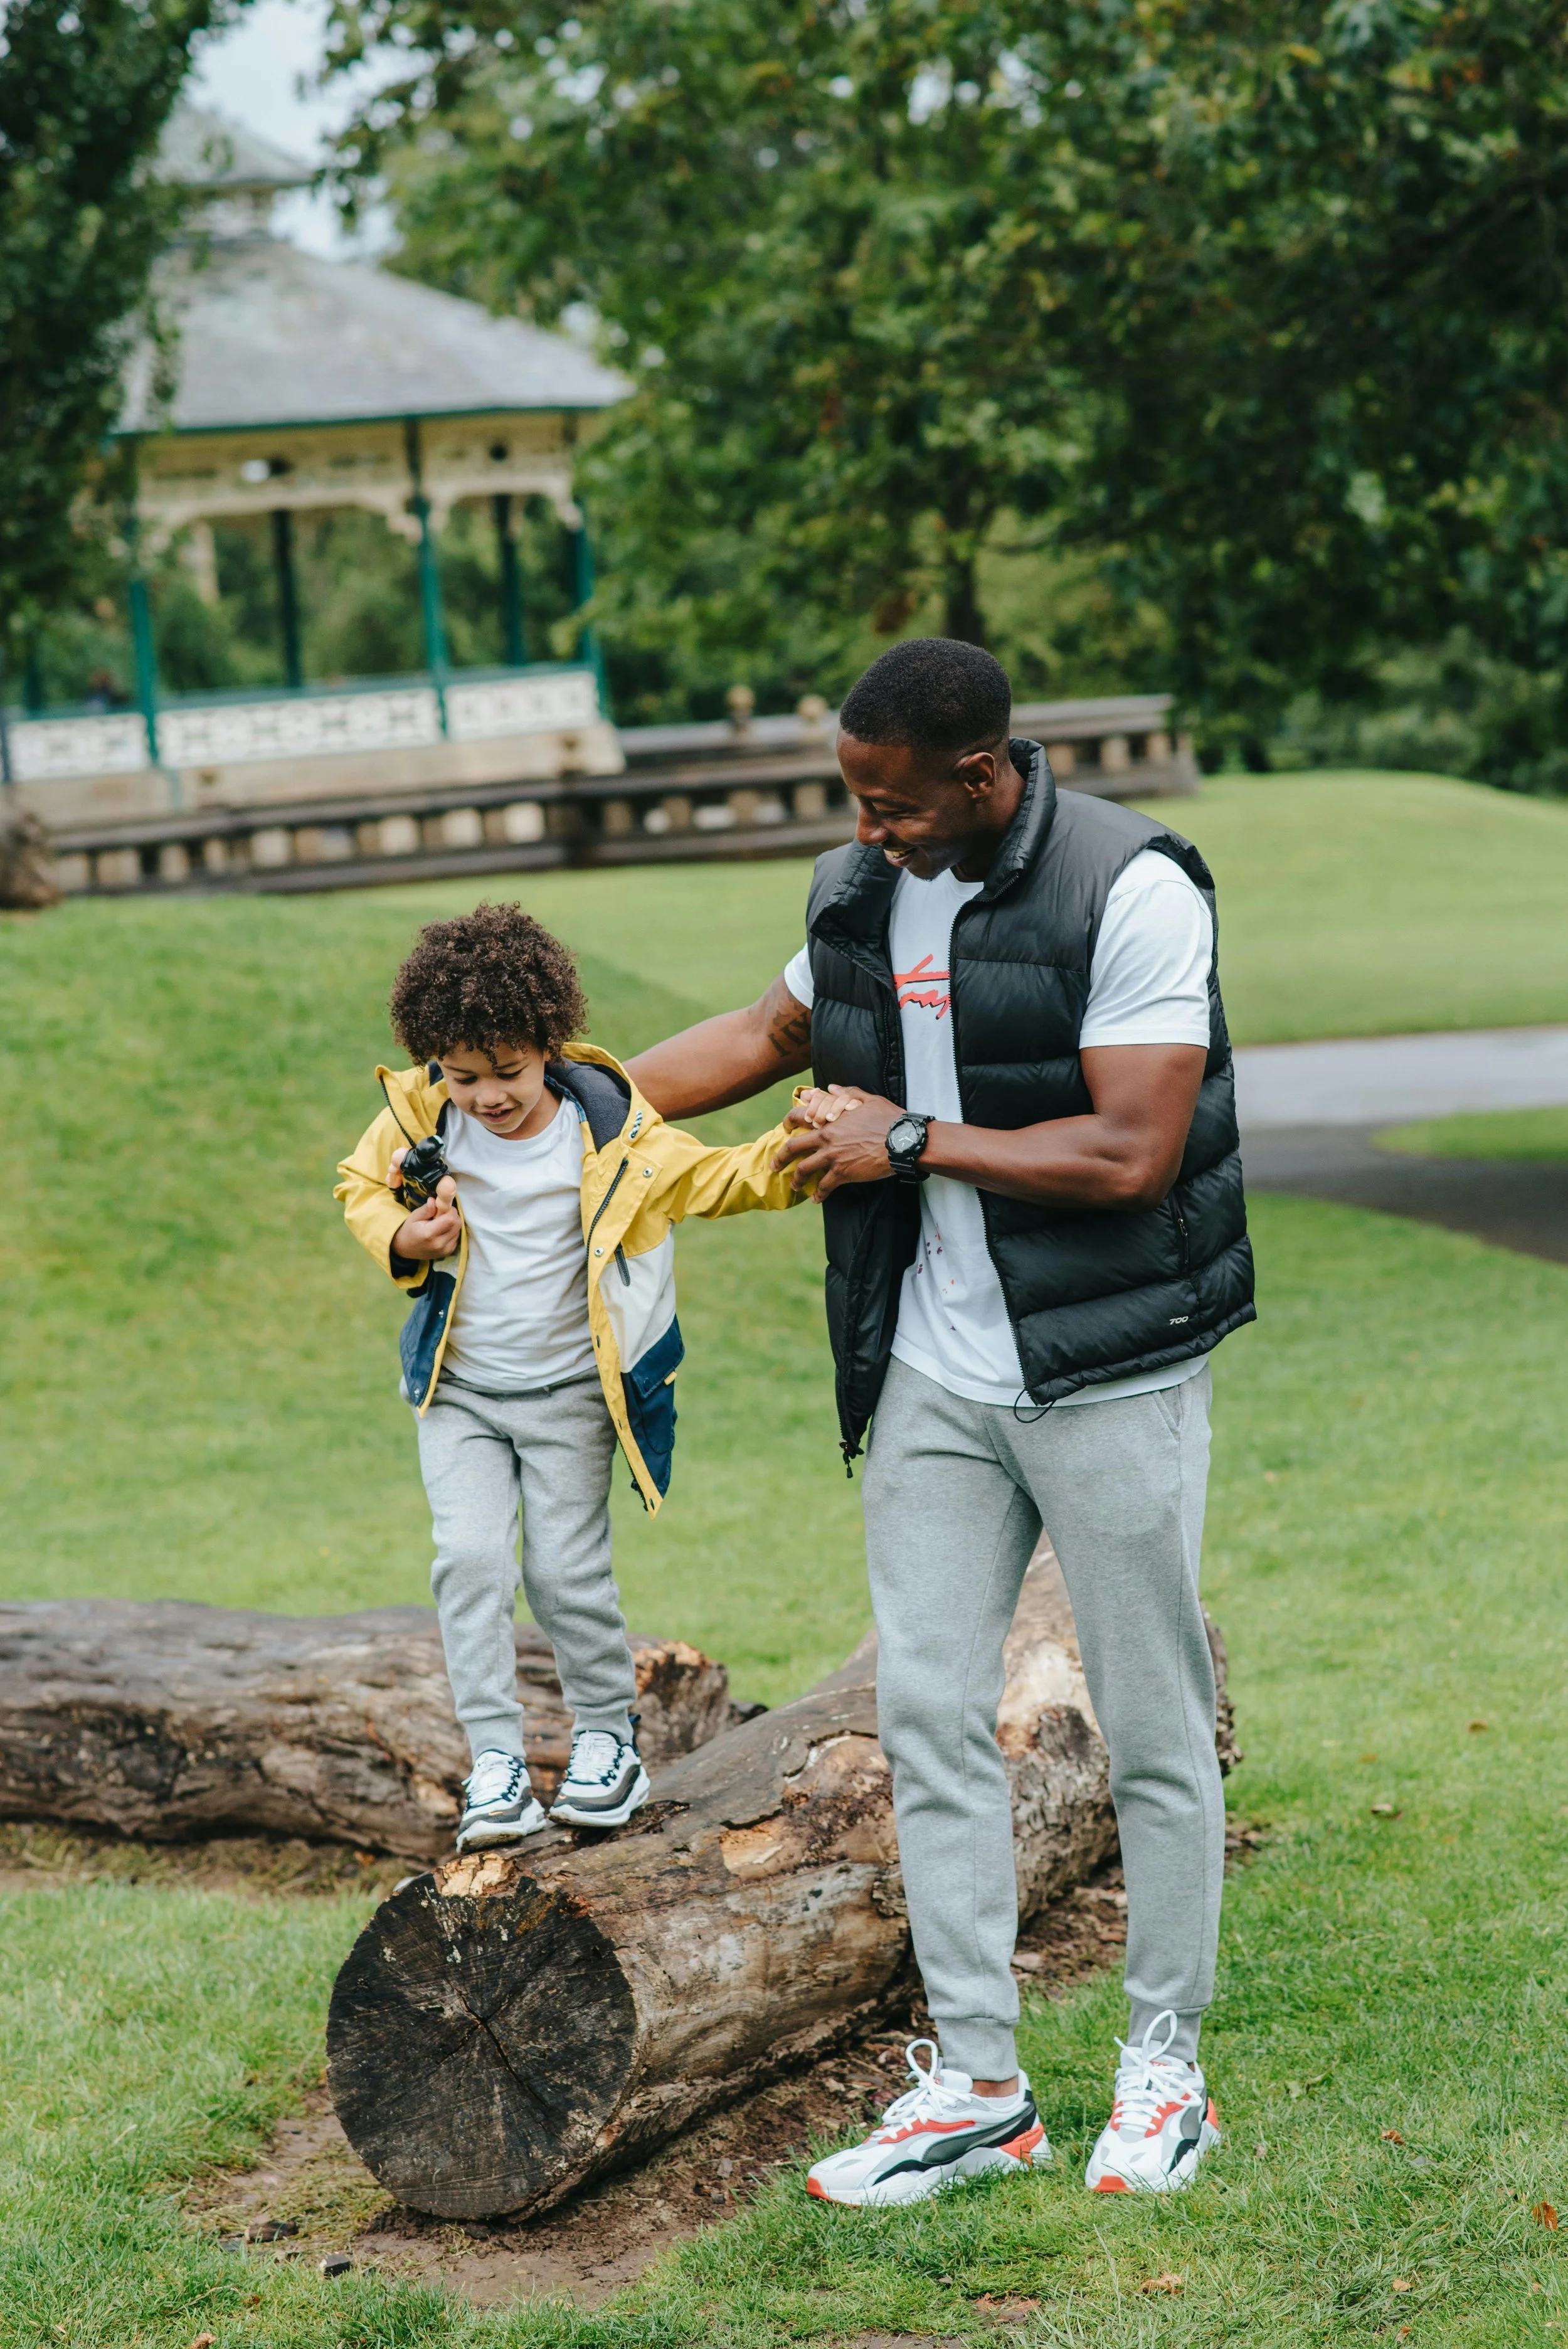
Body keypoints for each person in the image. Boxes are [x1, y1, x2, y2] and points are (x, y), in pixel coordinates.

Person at [626, 640, 1254, 2202]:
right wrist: (546, 1107)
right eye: (854, 799)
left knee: (1154, 1726)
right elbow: (761, 1041)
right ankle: (980, 2088)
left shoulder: (1133, 889)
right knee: (923, 1714)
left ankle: (1162, 2071)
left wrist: (903, 1137)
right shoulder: (860, 888)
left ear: (982, 777)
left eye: (891, 804)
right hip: (930, 1371)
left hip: (1103, 1368)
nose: (866, 828)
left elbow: (1131, 1154)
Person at [337, 901, 808, 1853]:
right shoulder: (419, 1116)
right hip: (461, 1395)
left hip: (568, 1401)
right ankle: (496, 1763)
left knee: (563, 1574)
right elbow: (357, 1185)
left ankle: (606, 1739)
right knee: (468, 1565)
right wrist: (401, 1232)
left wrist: (801, 1151)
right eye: (463, 1077)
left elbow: (718, 1179)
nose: (486, 1097)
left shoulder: (614, 1136)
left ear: (549, 1045)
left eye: (506, 1073)